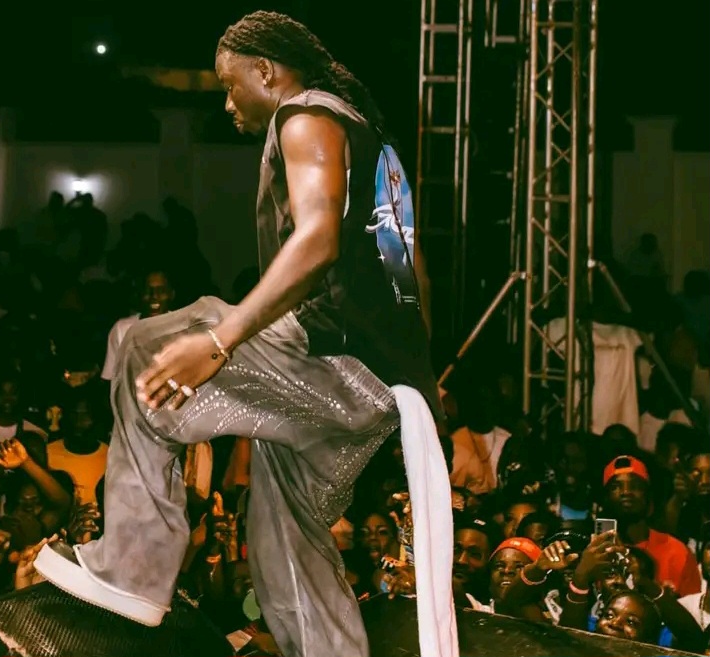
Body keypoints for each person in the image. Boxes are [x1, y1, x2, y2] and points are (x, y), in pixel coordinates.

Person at [34, 11, 455, 657]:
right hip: (380, 386)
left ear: (267, 71)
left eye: (231, 86)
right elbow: (413, 268)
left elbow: (317, 240)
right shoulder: (369, 135)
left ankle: (132, 567)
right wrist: (422, 382)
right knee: (285, 546)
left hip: (336, 361)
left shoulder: (304, 117)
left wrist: (220, 340)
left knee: (149, 347)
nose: (228, 103)